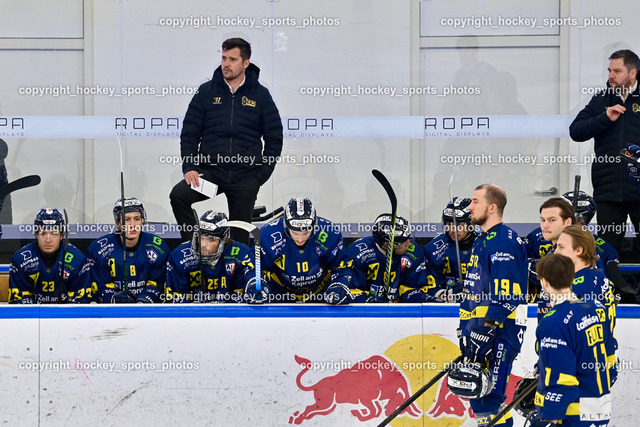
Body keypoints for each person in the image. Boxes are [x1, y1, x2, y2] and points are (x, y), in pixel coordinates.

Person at [169, 37, 283, 245]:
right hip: (212, 176)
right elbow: (190, 133)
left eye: (232, 59)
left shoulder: (260, 95)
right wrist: (190, 167)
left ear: (245, 63)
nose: (226, 64)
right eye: (224, 58)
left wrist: (259, 177)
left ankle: (235, 262)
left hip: (245, 178)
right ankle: (196, 248)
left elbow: (274, 138)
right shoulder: (206, 92)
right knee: (179, 196)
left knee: (240, 240)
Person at [447, 184, 528, 427]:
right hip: (480, 331)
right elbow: (474, 291)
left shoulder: (502, 241)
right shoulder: (484, 240)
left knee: (488, 399)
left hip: (497, 332)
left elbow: (507, 293)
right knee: (482, 399)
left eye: (475, 202)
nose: (469, 207)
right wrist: (465, 330)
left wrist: (486, 329)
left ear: (492, 207)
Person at [526, 253, 617, 426]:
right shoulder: (596, 308)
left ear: (545, 282)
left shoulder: (553, 322)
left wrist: (550, 417)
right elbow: (611, 361)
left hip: (572, 415)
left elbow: (562, 380)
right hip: (599, 410)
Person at [569, 49, 640, 254]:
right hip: (608, 191)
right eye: (609, 70)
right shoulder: (601, 100)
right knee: (607, 252)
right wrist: (604, 118)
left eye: (617, 71)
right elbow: (576, 131)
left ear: (633, 73)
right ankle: (610, 277)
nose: (611, 76)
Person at [259, 197, 353, 303]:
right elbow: (256, 267)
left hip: (321, 294)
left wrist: (339, 285)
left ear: (314, 226)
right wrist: (255, 283)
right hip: (279, 294)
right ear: (286, 227)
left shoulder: (330, 232)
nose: (300, 239)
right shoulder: (268, 235)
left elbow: (341, 266)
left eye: (305, 233)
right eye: (295, 233)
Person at [87, 197, 170, 303]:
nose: (132, 225)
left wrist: (145, 300)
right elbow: (99, 288)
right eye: (126, 220)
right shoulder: (99, 249)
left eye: (137, 219)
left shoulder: (158, 247)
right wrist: (116, 299)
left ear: (142, 221)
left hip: (148, 310)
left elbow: (158, 284)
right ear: (118, 224)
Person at [341, 213, 434, 304]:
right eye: (403, 241)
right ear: (387, 244)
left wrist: (418, 297)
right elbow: (351, 290)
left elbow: (413, 287)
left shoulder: (413, 252)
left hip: (399, 309)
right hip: (366, 311)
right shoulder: (358, 254)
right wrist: (368, 301)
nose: (409, 244)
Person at [165, 211, 255, 303]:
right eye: (201, 237)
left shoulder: (241, 255)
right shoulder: (179, 256)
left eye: (211, 239)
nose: (203, 244)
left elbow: (242, 299)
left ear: (224, 239)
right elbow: (176, 300)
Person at [9, 208, 91, 304]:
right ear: (36, 234)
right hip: (33, 313)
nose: (48, 240)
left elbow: (80, 300)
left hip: (65, 313)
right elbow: (19, 301)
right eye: (43, 233)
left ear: (61, 235)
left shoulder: (77, 259)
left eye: (54, 233)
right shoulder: (20, 259)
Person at [554, 225, 617, 334]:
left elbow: (582, 332)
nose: (555, 252)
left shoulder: (582, 284)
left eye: (561, 247)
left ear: (578, 250)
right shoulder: (596, 275)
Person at [424, 197, 478, 302]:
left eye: (459, 225)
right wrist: (445, 295)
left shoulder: (484, 246)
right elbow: (429, 287)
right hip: (446, 307)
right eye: (449, 224)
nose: (453, 230)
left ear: (471, 224)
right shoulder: (435, 249)